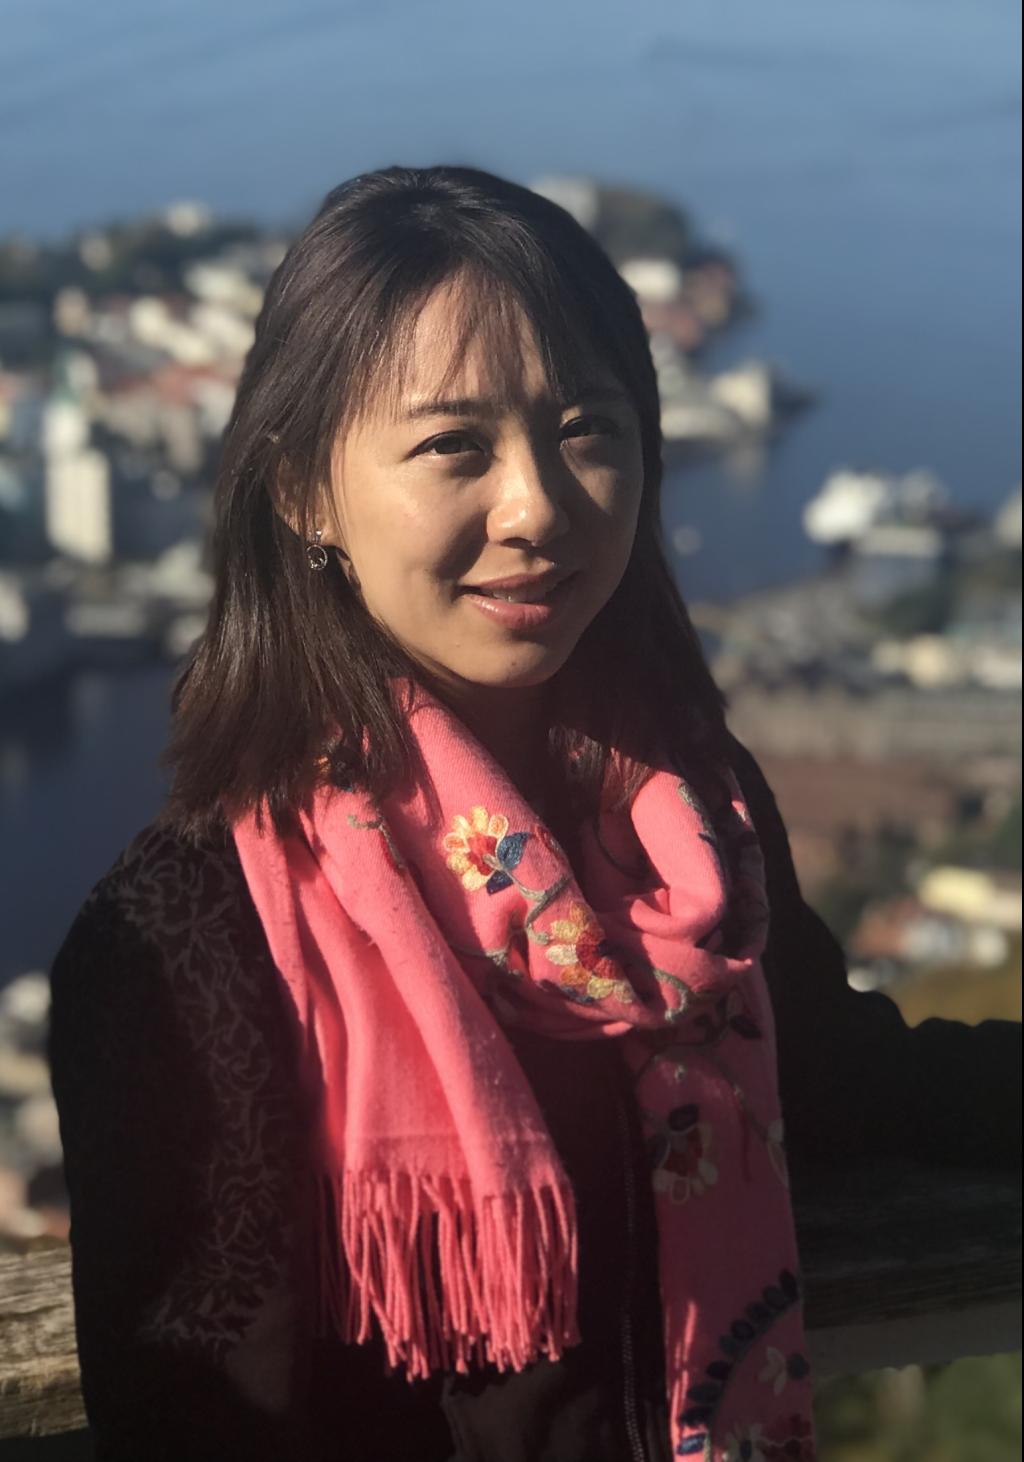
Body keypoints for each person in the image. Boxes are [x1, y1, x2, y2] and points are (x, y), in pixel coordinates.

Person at [48, 166, 1019, 1462]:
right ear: (303, 491)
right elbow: (200, 1419)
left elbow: (838, 1080)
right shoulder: (193, 937)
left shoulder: (687, 817)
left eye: (585, 429)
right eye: (455, 445)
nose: (540, 508)